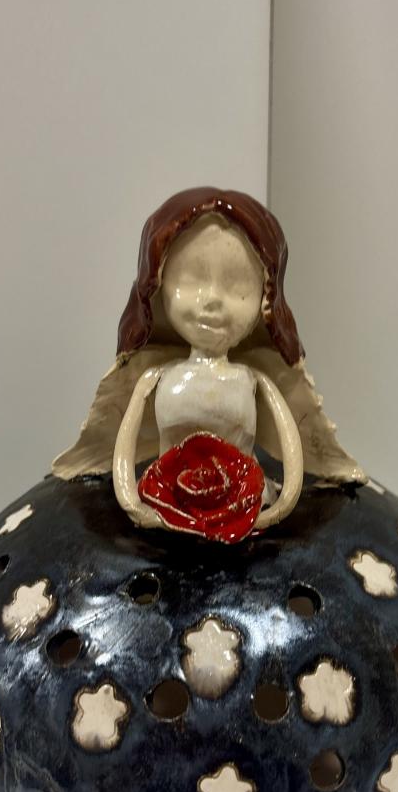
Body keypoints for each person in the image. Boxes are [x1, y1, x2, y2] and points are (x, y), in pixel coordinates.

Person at [52, 187, 364, 541]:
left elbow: (293, 452)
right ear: (158, 286)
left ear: (265, 301)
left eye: (238, 286)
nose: (213, 300)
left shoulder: (254, 381)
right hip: (165, 504)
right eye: (190, 280)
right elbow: (123, 450)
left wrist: (278, 509)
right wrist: (133, 504)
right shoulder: (154, 379)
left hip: (244, 509)